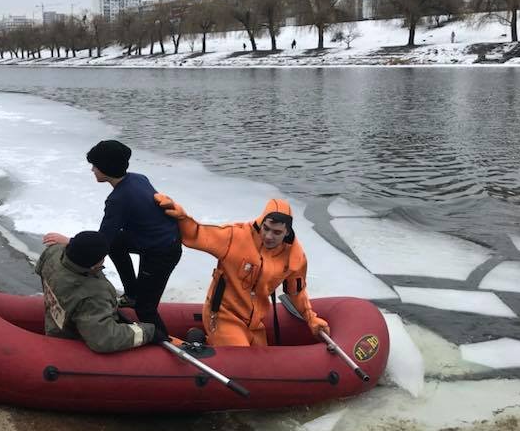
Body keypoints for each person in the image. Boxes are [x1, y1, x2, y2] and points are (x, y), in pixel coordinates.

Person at [44, 140, 181, 335]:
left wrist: (70, 242)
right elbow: (110, 238)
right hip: (154, 238)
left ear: (105, 168)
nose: (92, 169)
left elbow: (102, 242)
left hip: (162, 252)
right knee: (116, 243)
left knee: (145, 309)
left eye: (95, 165)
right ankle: (132, 294)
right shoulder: (138, 178)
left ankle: (162, 341)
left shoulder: (118, 200)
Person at [155, 194, 329, 347]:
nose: (269, 236)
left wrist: (311, 318)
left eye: (277, 232)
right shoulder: (235, 237)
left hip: (254, 323)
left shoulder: (294, 257)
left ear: (287, 232)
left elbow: (296, 292)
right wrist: (181, 218)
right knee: (244, 364)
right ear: (261, 222)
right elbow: (197, 234)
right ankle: (171, 343)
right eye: (266, 228)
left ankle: (200, 341)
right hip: (223, 315)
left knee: (263, 364)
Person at [35, 230, 167, 352]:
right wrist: (149, 332)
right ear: (93, 265)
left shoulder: (54, 252)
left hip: (55, 324)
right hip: (73, 344)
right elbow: (104, 339)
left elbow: (39, 269)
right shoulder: (93, 295)